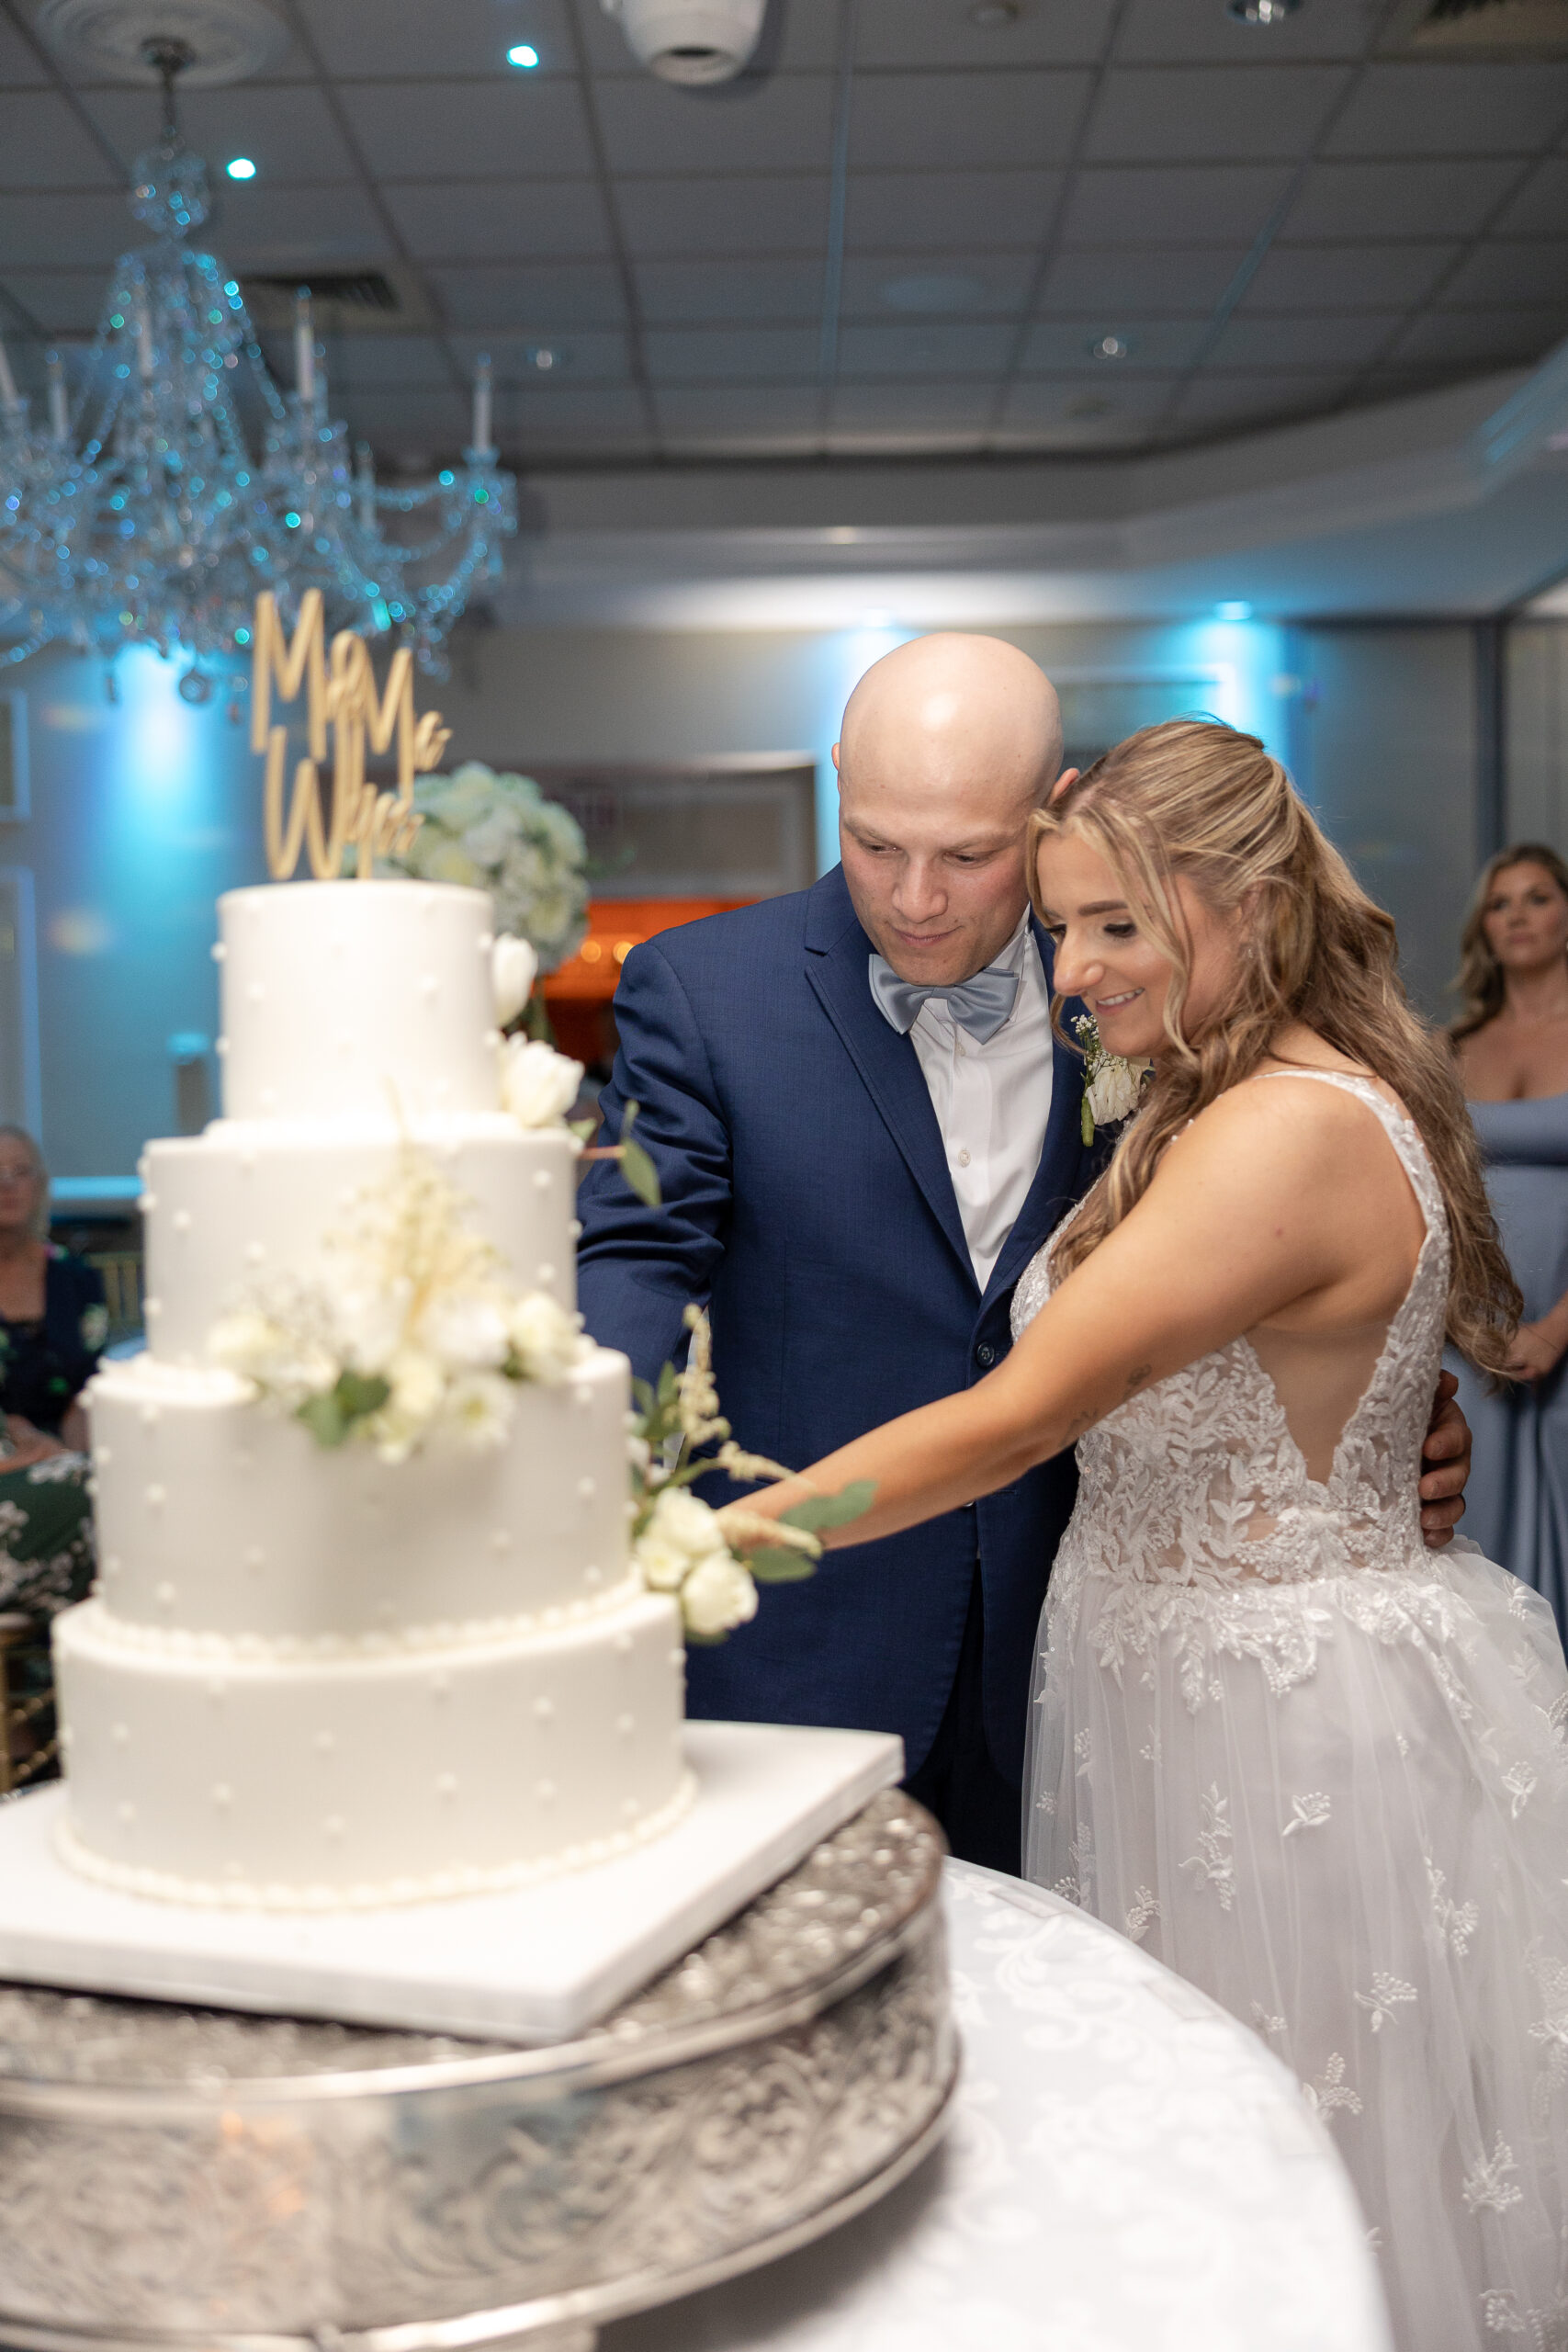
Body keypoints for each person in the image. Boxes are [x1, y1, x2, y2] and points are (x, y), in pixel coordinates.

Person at [730, 718, 1566, 2352]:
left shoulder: (1280, 1125)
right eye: (1058, 929)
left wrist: (711, 1543)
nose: (1068, 976)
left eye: (1114, 925)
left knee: (1288, 2168)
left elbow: (1020, 1412)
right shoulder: (1212, 1084)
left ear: (1245, 904)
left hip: (1279, 1733)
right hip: (1166, 1684)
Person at [576, 634, 1472, 1875]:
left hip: (1075, 1651)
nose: (913, 897)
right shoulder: (703, 991)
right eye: (875, 842)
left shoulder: (1141, 1005)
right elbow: (630, 1262)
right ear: (837, 780)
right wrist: (601, 1507)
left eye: (968, 855)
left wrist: (1366, 1428)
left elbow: (1279, 1261)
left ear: (1048, 809)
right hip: (804, 1644)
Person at [1450, 843, 1568, 1636]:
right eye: (1500, 903)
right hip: (1471, 1336)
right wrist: (1463, 1321)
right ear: (1483, 928)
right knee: (1470, 1535)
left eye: (1536, 898)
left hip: (1562, 1331)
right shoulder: (1450, 1047)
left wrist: (1554, 1331)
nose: (1518, 916)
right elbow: (1426, 1196)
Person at [0, 1126, 100, 1628]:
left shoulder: (76, 1278)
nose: (7, 1184)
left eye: (20, 1171)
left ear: (41, 1184)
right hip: (7, 1466)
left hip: (59, 1458)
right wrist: (21, 1449)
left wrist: (72, 1455)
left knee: (110, 1486)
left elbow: (87, 1392)